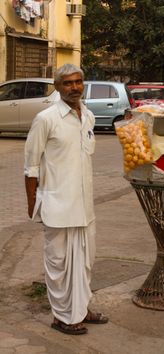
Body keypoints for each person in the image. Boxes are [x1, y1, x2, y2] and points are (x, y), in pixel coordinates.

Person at [24, 63, 108, 335]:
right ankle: (62, 317)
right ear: (57, 87)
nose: (74, 88)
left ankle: (81, 310)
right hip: (57, 204)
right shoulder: (46, 118)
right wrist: (31, 202)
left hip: (84, 205)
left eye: (78, 82)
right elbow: (31, 165)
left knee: (84, 262)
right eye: (67, 83)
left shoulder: (89, 116)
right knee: (58, 263)